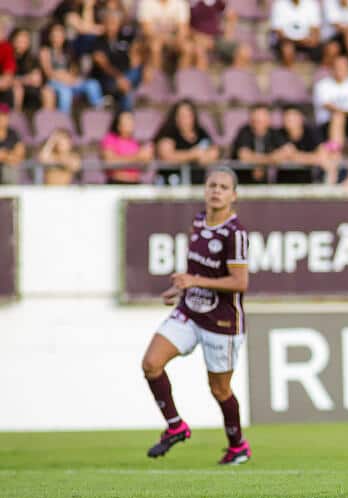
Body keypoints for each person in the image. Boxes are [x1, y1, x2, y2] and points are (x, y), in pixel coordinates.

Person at [142, 166, 251, 465]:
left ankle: (238, 445)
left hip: (223, 321)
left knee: (219, 389)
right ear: (205, 190)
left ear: (234, 195)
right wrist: (179, 290)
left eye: (223, 187)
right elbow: (197, 271)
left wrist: (195, 282)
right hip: (190, 310)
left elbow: (240, 283)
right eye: (212, 185)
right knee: (151, 364)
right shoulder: (199, 220)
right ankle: (175, 425)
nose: (216, 190)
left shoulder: (235, 233)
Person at [39, 22, 104, 114]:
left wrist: (72, 78)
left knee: (92, 84)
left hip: (70, 80)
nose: (57, 37)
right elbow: (48, 72)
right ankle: (64, 118)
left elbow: (74, 70)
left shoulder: (68, 51)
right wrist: (62, 76)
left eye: (60, 34)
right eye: (54, 35)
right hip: (54, 82)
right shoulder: (45, 51)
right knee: (65, 92)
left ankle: (99, 111)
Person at [154, 99, 220, 186]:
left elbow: (214, 151)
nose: (185, 119)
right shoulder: (169, 133)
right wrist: (191, 155)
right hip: (172, 185)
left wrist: (204, 157)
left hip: (196, 185)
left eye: (189, 115)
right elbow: (166, 155)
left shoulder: (200, 132)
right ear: (175, 117)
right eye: (182, 115)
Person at [91, 9, 143, 111]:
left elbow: (135, 58)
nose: (111, 27)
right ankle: (127, 114)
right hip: (109, 78)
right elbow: (103, 65)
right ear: (104, 24)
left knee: (136, 73)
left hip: (127, 76)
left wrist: (127, 75)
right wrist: (119, 77)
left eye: (114, 23)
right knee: (125, 89)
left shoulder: (125, 39)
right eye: (108, 23)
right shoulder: (98, 42)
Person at [278, 105, 338, 184]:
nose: (290, 121)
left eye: (293, 118)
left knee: (331, 165)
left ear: (300, 118)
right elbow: (276, 157)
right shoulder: (279, 134)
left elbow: (322, 157)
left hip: (308, 181)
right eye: (287, 118)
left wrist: (295, 156)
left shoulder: (311, 132)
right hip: (284, 183)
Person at [231, 103, 289, 185]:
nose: (258, 123)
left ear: (268, 120)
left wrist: (258, 162)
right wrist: (270, 159)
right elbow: (244, 155)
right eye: (256, 120)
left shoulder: (274, 133)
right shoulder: (244, 131)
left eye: (261, 120)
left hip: (266, 184)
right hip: (242, 182)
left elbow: (287, 151)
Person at [137, 0, 192, 72]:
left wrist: (176, 40)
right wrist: (163, 38)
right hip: (152, 39)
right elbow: (146, 30)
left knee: (187, 48)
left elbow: (183, 29)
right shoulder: (146, 3)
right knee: (155, 46)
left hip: (173, 38)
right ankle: (157, 77)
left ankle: (183, 77)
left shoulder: (180, 3)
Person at [101, 110, 154, 184]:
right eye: (127, 121)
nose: (130, 123)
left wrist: (146, 159)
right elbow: (109, 161)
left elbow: (142, 167)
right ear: (118, 125)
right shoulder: (110, 139)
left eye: (131, 120)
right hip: (117, 183)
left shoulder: (134, 142)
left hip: (135, 183)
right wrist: (137, 157)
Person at [10, 28, 55, 112]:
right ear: (13, 40)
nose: (22, 43)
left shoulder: (32, 58)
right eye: (20, 40)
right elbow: (7, 78)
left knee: (48, 91)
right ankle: (17, 118)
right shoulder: (8, 56)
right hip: (14, 87)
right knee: (18, 90)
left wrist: (33, 79)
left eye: (25, 40)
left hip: (30, 87)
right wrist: (24, 80)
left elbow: (37, 78)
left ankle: (47, 120)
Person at [269, 0, 322, 67]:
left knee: (325, 50)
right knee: (287, 49)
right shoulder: (279, 4)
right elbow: (279, 32)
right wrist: (299, 40)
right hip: (286, 41)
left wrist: (310, 39)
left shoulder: (311, 4)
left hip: (306, 42)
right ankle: (288, 74)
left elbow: (315, 29)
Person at [0, 103, 24, 184]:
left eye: (4, 115)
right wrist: (9, 156)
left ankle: (10, 194)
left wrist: (4, 156)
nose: (2, 118)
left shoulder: (13, 134)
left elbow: (19, 157)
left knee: (10, 169)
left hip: (8, 172)